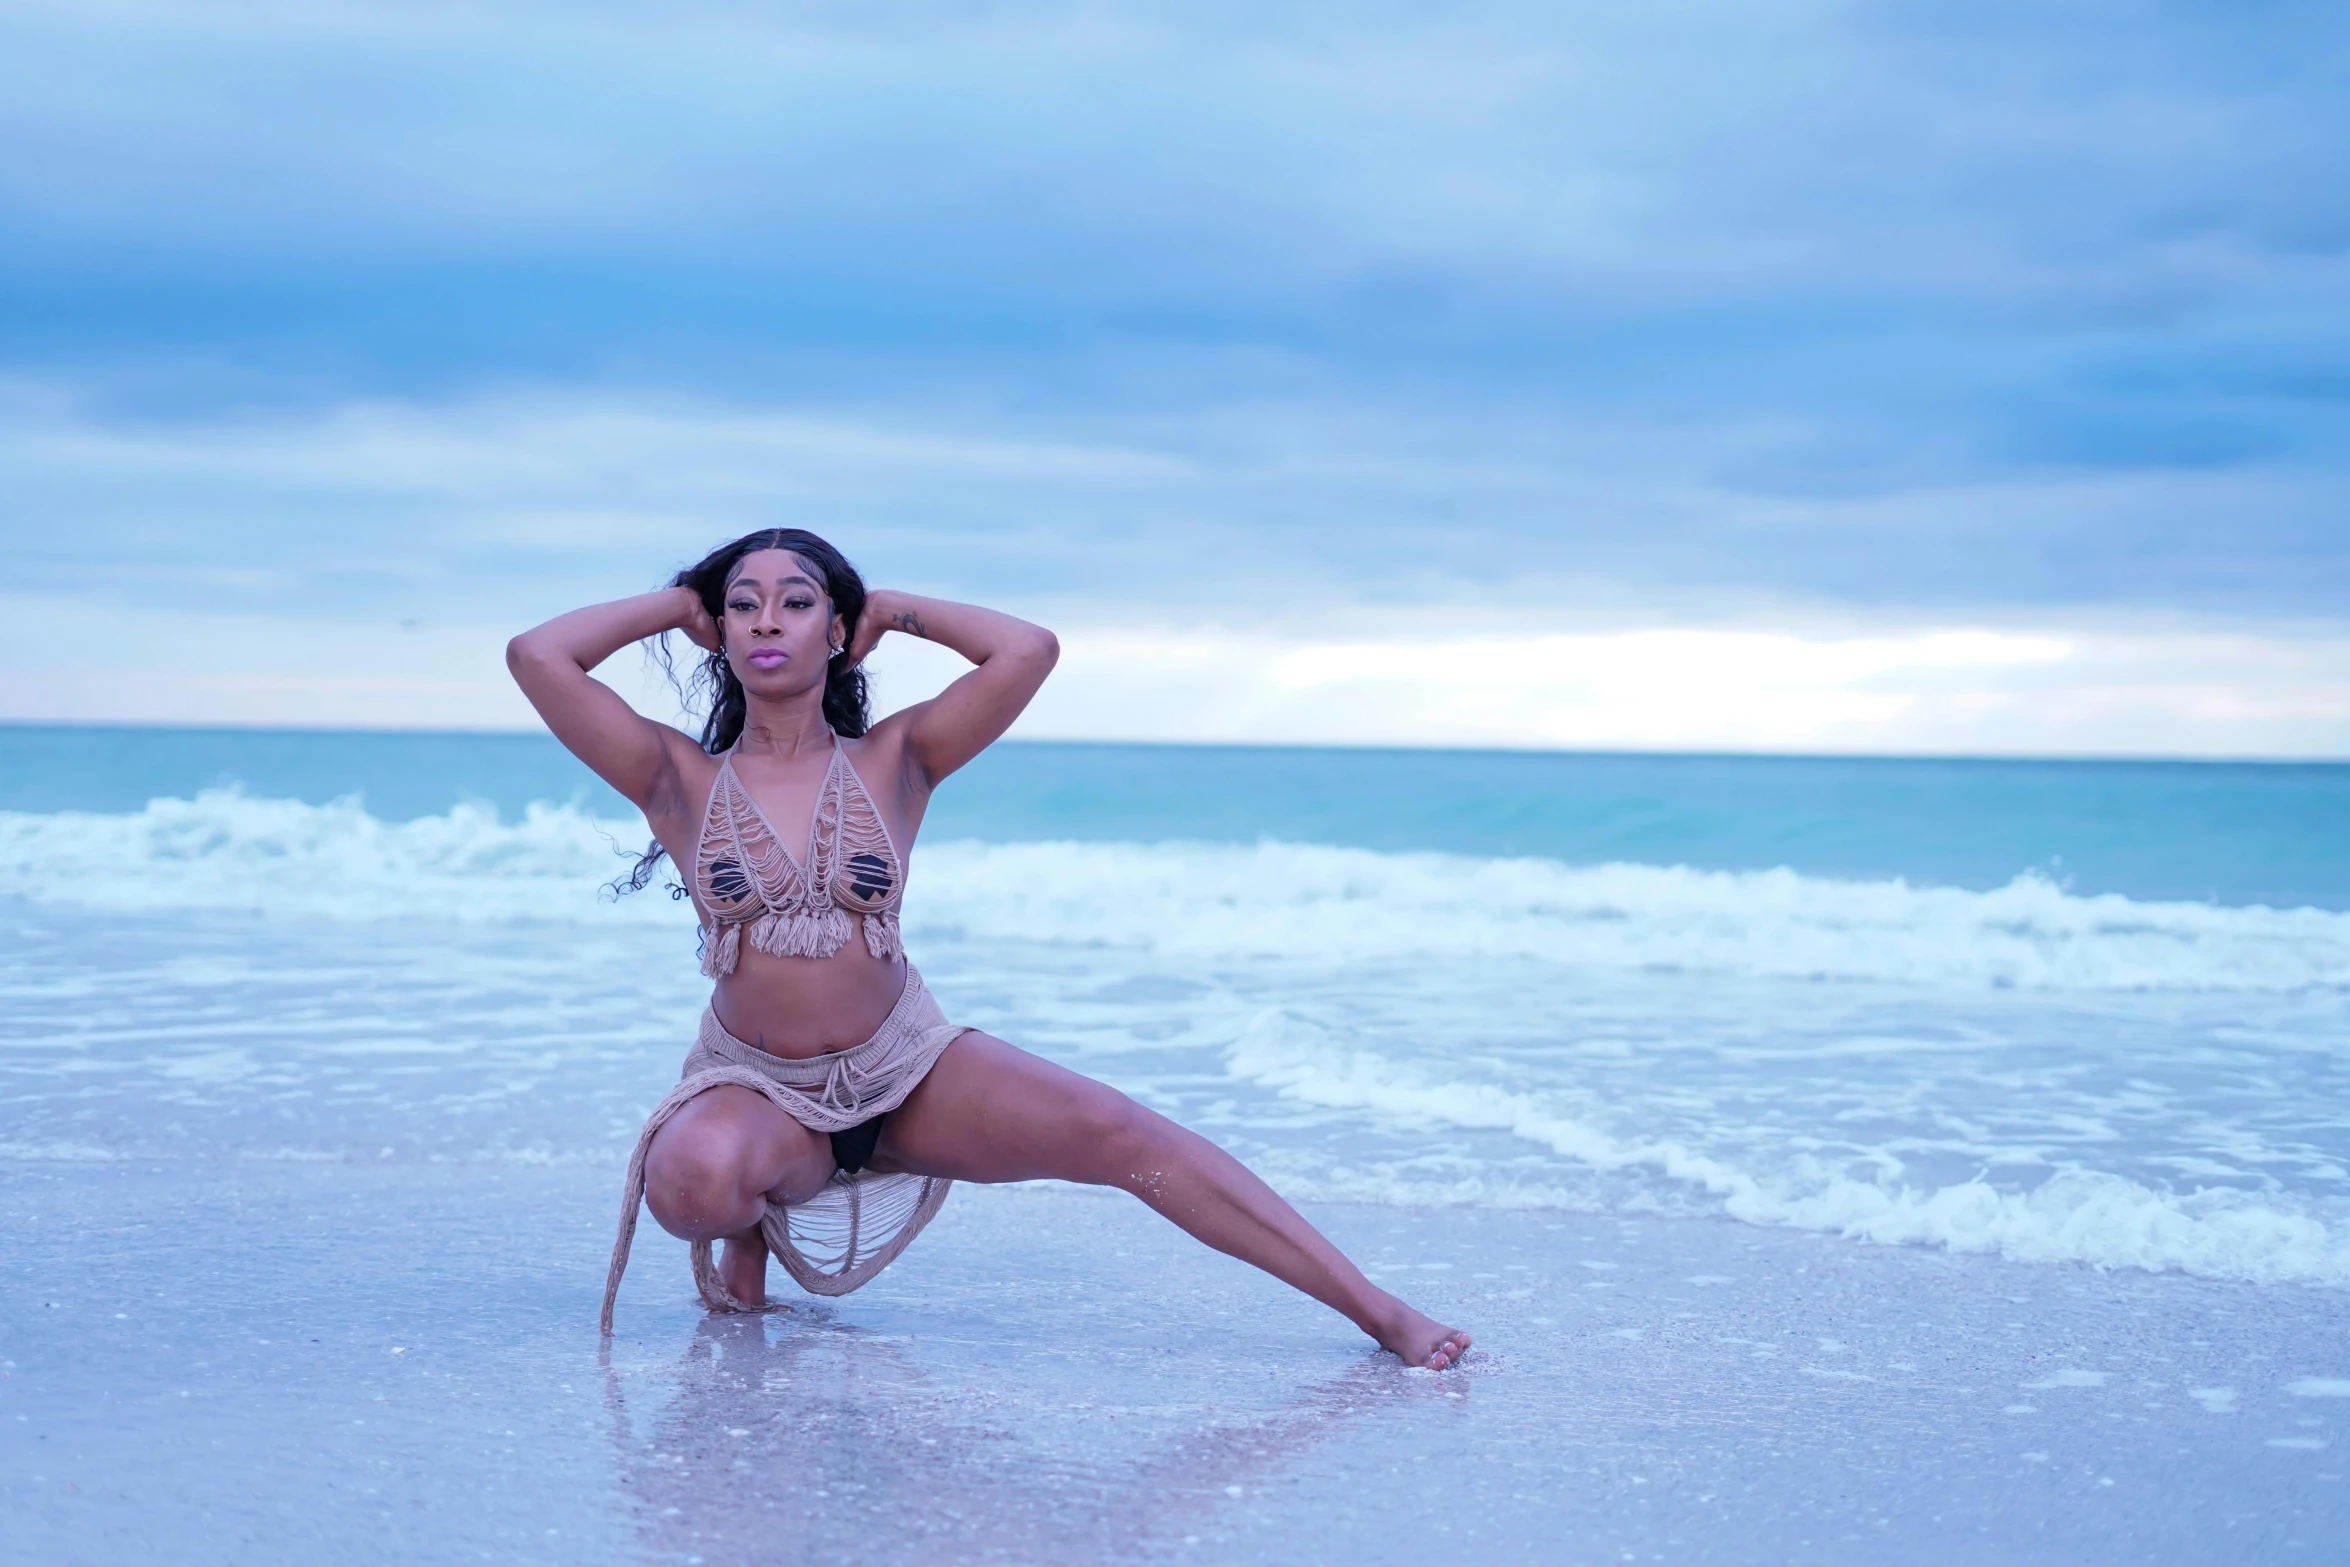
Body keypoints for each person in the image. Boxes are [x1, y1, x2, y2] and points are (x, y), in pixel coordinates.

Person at [508, 527, 1471, 1370]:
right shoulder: (675, 774)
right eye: (743, 606)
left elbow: (1027, 649)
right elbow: (538, 655)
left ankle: (1377, 1311)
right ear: (720, 633)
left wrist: (895, 610)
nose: (767, 620)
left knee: (1125, 1135)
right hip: (757, 1085)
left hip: (904, 1066)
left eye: (797, 602)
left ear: (834, 630)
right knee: (690, 1181)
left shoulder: (900, 755)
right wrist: (680, 604)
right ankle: (755, 1216)